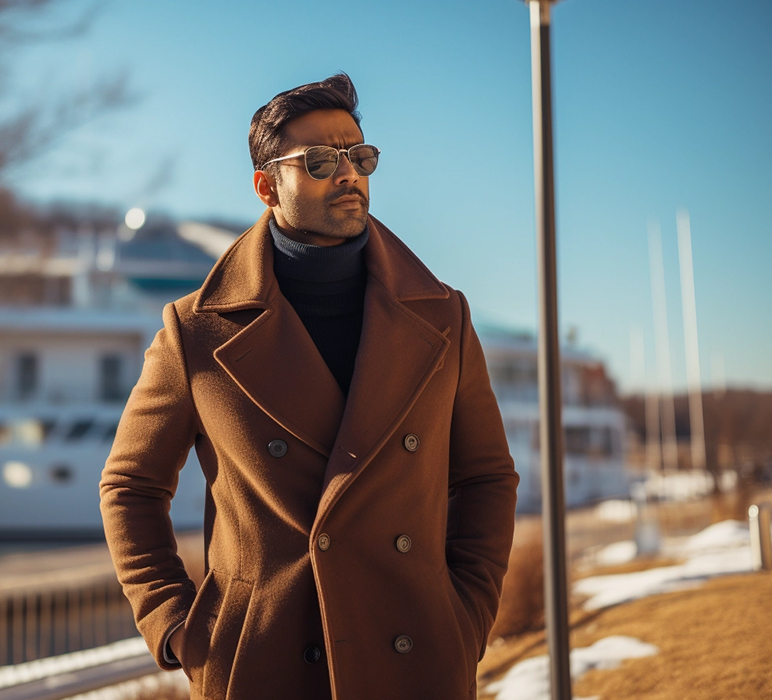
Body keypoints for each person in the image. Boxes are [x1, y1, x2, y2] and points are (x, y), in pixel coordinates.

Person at [99, 73, 518, 700]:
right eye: (321, 160)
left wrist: (466, 617)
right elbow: (130, 484)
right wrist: (178, 629)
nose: (348, 173)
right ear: (268, 186)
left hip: (417, 660)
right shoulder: (195, 331)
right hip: (260, 664)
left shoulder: (442, 316)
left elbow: (486, 477)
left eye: (360, 155)